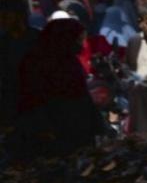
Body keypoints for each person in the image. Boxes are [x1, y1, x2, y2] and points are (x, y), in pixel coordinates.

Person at [12, 12, 102, 158]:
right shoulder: (39, 64)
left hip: (78, 125)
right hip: (57, 127)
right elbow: (34, 98)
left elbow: (82, 95)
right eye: (78, 40)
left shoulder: (69, 60)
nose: (80, 45)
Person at [0, 0, 39, 126]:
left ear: (19, 15)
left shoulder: (38, 39)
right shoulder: (3, 45)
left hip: (41, 104)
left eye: (6, 16)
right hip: (17, 109)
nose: (2, 20)